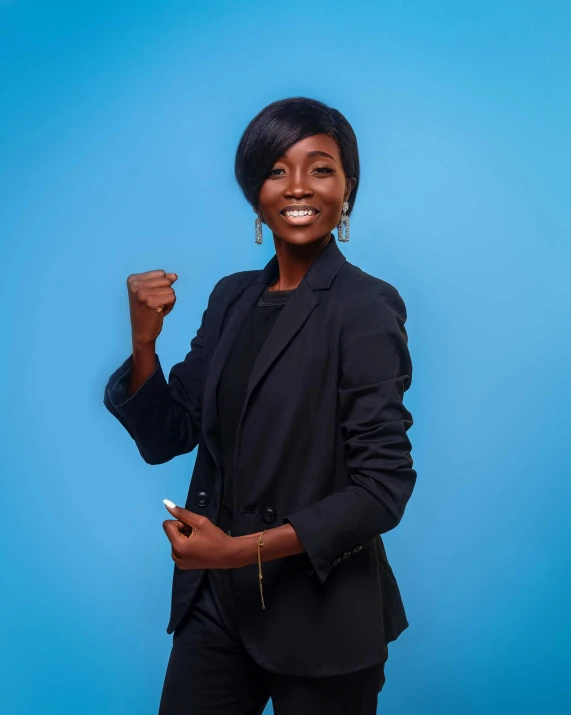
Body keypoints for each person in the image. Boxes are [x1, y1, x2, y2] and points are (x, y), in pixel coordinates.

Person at [103, 96, 417, 715]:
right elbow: (169, 433)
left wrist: (237, 550)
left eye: (320, 167)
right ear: (254, 192)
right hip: (216, 608)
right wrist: (144, 345)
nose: (298, 186)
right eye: (276, 170)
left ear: (347, 186)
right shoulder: (232, 298)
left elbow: (383, 488)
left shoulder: (366, 307)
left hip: (322, 617)